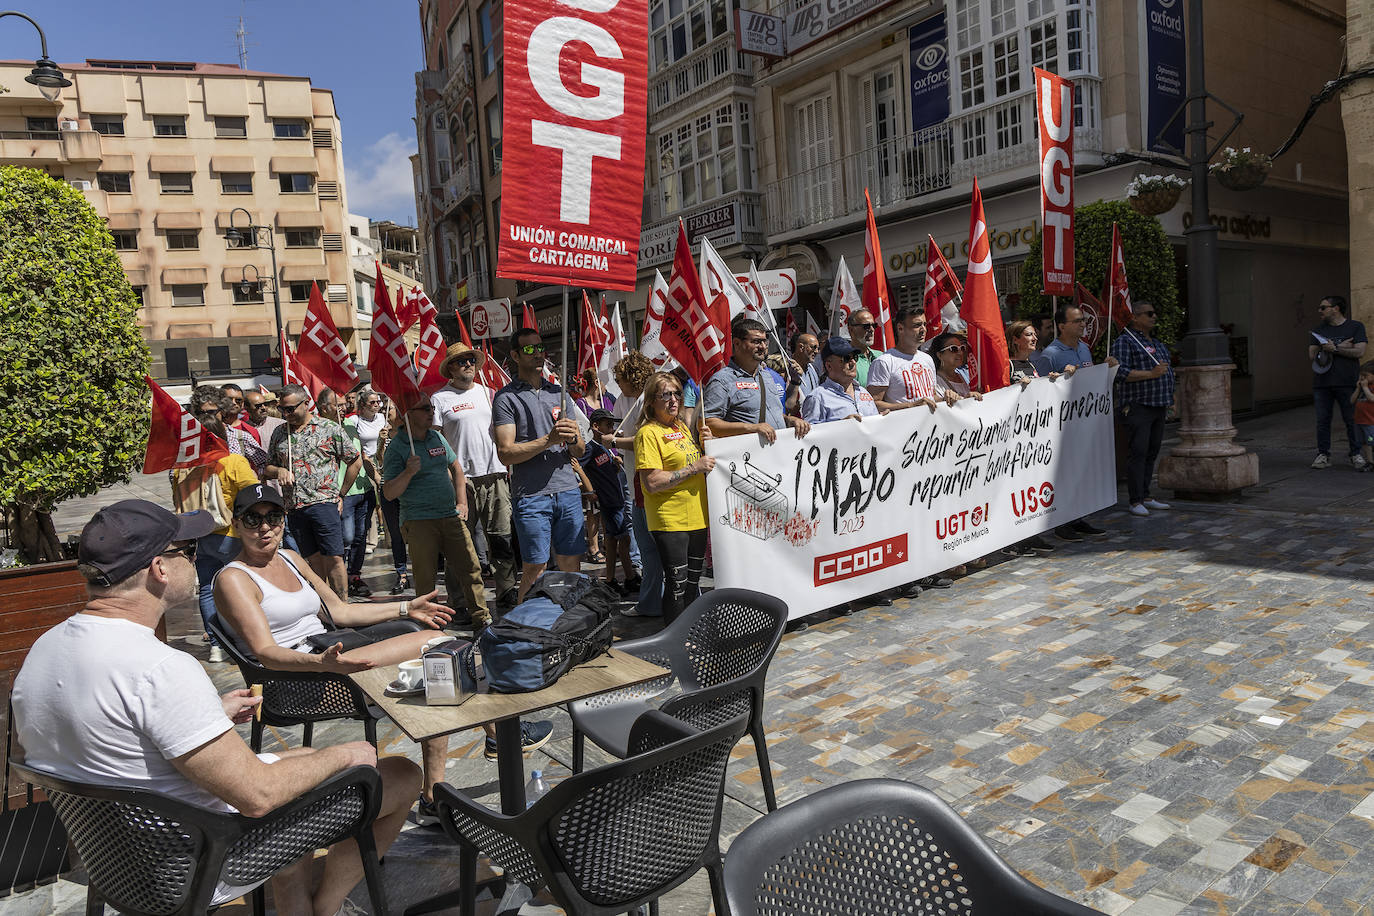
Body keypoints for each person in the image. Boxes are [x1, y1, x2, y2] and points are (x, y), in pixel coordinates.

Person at [13, 500, 418, 916]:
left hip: (118, 860)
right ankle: (329, 905)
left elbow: (105, 737)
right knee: (397, 774)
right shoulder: (160, 668)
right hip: (199, 860)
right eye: (188, 551)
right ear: (159, 569)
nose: (196, 561)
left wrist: (206, 713)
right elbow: (259, 796)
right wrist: (346, 753)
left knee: (303, 758)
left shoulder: (45, 649)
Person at [493, 326, 588, 602]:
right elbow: (506, 453)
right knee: (535, 567)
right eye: (530, 349)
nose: (538, 354)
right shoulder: (507, 397)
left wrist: (571, 440)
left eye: (540, 348)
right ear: (515, 355)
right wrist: (549, 439)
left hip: (567, 489)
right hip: (531, 494)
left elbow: (579, 449)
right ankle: (525, 629)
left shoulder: (559, 394)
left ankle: (571, 622)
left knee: (571, 564)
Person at [382, 396, 492, 629]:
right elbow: (390, 492)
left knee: (470, 567)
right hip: (419, 520)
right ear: (408, 413)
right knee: (426, 579)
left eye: (431, 408)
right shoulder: (397, 447)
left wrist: (462, 503)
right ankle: (430, 624)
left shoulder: (437, 436)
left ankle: (482, 618)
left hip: (450, 515)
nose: (431, 412)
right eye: (424, 409)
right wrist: (408, 473)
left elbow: (456, 467)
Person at [174, 387, 260, 662]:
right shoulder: (233, 461)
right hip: (231, 534)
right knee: (244, 585)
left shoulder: (181, 466)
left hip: (199, 536)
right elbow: (255, 495)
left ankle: (215, 645)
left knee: (208, 589)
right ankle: (245, 639)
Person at [432, 342, 519, 611]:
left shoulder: (490, 394)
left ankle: (506, 591)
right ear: (450, 368)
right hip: (461, 481)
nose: (467, 364)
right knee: (460, 545)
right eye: (461, 361)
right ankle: (459, 602)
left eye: (470, 360)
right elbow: (435, 442)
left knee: (501, 538)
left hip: (494, 474)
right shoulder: (440, 398)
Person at [265, 384, 361, 599]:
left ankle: (342, 604)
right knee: (312, 560)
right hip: (295, 506)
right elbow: (268, 467)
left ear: (306, 404)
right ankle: (325, 605)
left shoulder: (328, 428)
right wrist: (279, 470)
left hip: (323, 502)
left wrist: (342, 493)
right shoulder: (281, 433)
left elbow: (354, 460)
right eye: (283, 410)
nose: (286, 414)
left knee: (334, 557)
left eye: (290, 409)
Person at [636, 372, 715, 622]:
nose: (673, 400)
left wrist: (706, 444)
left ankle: (689, 633)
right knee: (677, 584)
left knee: (693, 583)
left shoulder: (681, 427)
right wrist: (694, 467)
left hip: (698, 516)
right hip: (670, 519)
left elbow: (699, 462)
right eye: (666, 395)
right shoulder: (648, 433)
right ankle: (674, 643)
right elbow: (652, 482)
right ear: (651, 401)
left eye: (677, 393)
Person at [1037, 308, 1111, 541]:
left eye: (1083, 320)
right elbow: (1041, 391)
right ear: (1062, 326)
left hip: (1084, 422)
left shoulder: (1085, 348)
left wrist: (1105, 368)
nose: (1083, 324)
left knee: (1081, 472)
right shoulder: (1050, 355)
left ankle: (1077, 517)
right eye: (1077, 321)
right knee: (1065, 474)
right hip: (1062, 426)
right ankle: (1062, 523)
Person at [604, 353, 661, 617]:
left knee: (652, 544)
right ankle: (652, 600)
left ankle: (655, 601)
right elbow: (622, 432)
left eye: (619, 378)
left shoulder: (650, 399)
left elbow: (646, 438)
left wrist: (614, 443)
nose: (616, 383)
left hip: (649, 478)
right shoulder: (622, 400)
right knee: (645, 543)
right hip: (631, 477)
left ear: (632, 377)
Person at [1111, 301, 1176, 517]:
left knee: (1151, 451)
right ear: (1136, 317)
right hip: (1138, 406)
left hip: (1158, 405)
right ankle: (1135, 499)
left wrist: (1169, 398)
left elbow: (1167, 372)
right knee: (1138, 452)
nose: (1154, 316)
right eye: (1149, 313)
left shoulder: (1156, 343)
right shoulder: (1126, 341)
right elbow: (1120, 373)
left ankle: (1146, 495)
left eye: (1154, 312)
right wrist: (1151, 374)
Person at [704, 318, 811, 443]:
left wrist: (789, 420)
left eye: (765, 341)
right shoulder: (722, 381)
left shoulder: (767, 376)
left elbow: (770, 413)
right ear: (737, 343)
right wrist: (751, 428)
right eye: (756, 342)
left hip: (777, 452)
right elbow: (708, 423)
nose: (763, 347)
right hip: (747, 457)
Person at [1309, 294, 1369, 469]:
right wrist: (1344, 346)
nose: (1319, 311)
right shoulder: (1318, 330)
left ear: (1336, 308)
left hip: (1348, 381)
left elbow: (1360, 352)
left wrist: (1334, 348)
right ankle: (1323, 454)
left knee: (1351, 419)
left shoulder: (1355, 327)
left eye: (1323, 307)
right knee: (1322, 420)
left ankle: (1356, 454)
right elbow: (1312, 355)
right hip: (1322, 382)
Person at [579, 409, 636, 592]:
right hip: (609, 502)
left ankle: (611, 579)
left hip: (616, 499)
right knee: (624, 539)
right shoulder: (590, 449)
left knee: (612, 541)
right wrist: (590, 491)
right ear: (596, 427)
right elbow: (578, 468)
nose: (612, 428)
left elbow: (608, 473)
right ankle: (630, 577)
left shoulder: (606, 448)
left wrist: (616, 466)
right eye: (608, 425)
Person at [344, 389, 387, 596]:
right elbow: (360, 453)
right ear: (362, 406)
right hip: (355, 480)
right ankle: (340, 574)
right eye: (372, 402)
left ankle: (354, 575)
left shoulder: (383, 418)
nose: (377, 404)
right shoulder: (351, 424)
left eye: (378, 401)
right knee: (348, 534)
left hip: (376, 471)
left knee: (361, 531)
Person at [867, 305, 942, 414]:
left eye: (924, 324)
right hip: (904, 428)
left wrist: (949, 398)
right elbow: (873, 404)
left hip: (931, 427)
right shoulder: (884, 362)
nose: (923, 329)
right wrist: (910, 406)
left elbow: (932, 396)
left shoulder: (927, 359)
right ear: (900, 328)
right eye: (917, 325)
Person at [377, 398, 412, 596]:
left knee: (414, 531)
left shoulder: (409, 435)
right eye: (384, 409)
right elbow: (380, 461)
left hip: (408, 488)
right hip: (388, 488)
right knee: (396, 534)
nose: (385, 411)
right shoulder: (383, 434)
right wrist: (382, 442)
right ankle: (402, 573)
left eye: (389, 408)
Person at [803, 337, 882, 423]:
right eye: (846, 358)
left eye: (855, 357)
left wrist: (882, 419)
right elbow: (812, 434)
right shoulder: (817, 398)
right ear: (829, 366)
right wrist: (842, 425)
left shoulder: (863, 392)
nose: (853, 362)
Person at [227, 388, 284, 488]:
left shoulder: (280, 426)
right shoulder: (241, 431)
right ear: (247, 408)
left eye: (265, 404)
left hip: (279, 483)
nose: (263, 408)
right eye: (258, 406)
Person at [1007, 319, 1055, 383]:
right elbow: (999, 390)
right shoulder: (1007, 366)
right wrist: (1017, 386)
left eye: (1035, 335)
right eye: (1029, 334)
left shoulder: (1031, 365)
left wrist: (1050, 380)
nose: (1035, 338)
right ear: (1015, 340)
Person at [844, 308, 882, 386]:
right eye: (866, 326)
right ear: (851, 330)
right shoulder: (845, 359)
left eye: (874, 326)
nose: (872, 330)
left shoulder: (881, 356)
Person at [789, 331, 821, 403]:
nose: (816, 351)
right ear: (801, 347)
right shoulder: (786, 369)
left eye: (818, 348)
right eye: (813, 347)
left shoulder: (813, 370)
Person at [1353, 361, 1374, 471]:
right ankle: (1370, 462)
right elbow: (1352, 401)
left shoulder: (1370, 387)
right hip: (1360, 420)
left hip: (1370, 421)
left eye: (1365, 376)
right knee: (1365, 443)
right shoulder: (1361, 387)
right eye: (1361, 375)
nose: (1362, 378)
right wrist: (1358, 389)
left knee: (1372, 441)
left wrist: (1365, 388)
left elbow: (1371, 398)